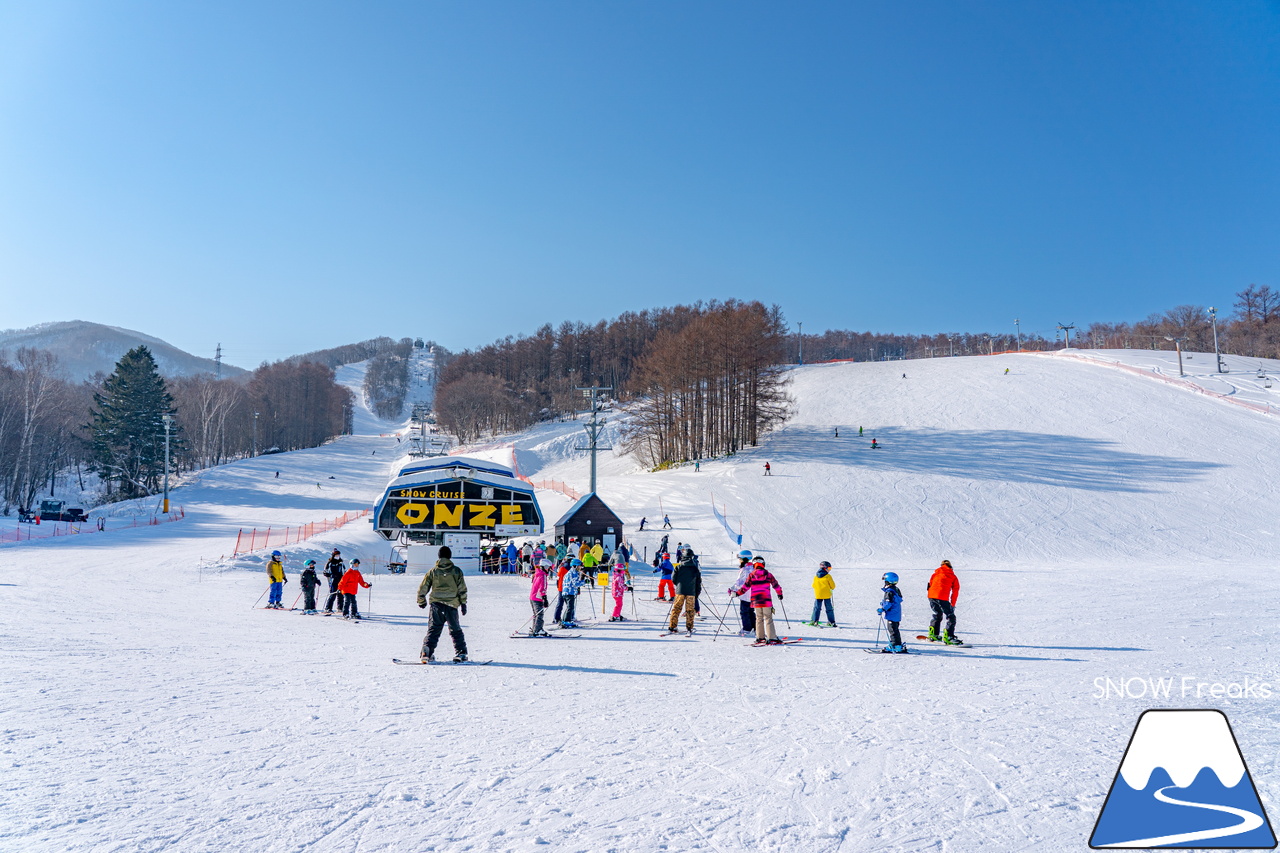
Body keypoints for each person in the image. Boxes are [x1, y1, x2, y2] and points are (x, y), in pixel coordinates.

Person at [417, 545, 469, 662]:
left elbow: (423, 587)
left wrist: (421, 600)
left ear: (439, 557)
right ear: (450, 557)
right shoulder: (456, 571)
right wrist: (463, 604)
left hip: (436, 605)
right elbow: (462, 589)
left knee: (433, 630)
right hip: (451, 605)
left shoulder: (433, 571)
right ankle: (461, 653)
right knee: (455, 630)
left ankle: (427, 652)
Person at [734, 557, 783, 645]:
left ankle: (760, 637)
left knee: (759, 618)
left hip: (756, 601)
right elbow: (775, 585)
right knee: (768, 618)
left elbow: (745, 587)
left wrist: (737, 593)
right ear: (763, 564)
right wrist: (779, 594)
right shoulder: (768, 574)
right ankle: (772, 637)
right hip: (766, 601)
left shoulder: (752, 575)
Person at [666, 549, 702, 634]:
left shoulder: (678, 567)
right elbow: (698, 582)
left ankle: (672, 626)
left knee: (676, 608)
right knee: (690, 610)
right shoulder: (695, 569)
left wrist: (679, 585)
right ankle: (689, 627)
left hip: (680, 591)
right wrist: (697, 593)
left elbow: (673, 579)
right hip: (691, 592)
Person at [926, 559, 962, 645]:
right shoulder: (952, 576)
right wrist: (952, 604)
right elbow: (955, 591)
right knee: (951, 617)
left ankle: (933, 633)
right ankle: (949, 636)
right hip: (942, 597)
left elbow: (930, 585)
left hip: (931, 596)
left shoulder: (935, 574)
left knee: (938, 613)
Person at [878, 571, 907, 653]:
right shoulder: (895, 590)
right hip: (896, 614)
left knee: (892, 630)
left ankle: (895, 645)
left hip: (892, 614)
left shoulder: (889, 592)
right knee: (895, 629)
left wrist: (882, 608)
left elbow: (888, 604)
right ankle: (897, 644)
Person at [730, 550, 756, 636]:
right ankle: (754, 627)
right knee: (751, 611)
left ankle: (747, 629)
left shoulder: (745, 569)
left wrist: (732, 589)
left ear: (744, 559)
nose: (739, 560)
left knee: (744, 612)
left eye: (740, 558)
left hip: (745, 594)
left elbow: (739, 582)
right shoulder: (753, 568)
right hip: (752, 594)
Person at [807, 561, 837, 627]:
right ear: (824, 568)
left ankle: (814, 621)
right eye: (829, 568)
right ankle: (831, 622)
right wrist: (830, 588)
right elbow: (833, 586)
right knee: (829, 608)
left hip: (818, 595)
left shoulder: (816, 577)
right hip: (827, 595)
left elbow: (813, 585)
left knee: (817, 608)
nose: (829, 570)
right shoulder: (828, 576)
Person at [529, 559, 551, 636]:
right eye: (548, 567)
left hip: (533, 597)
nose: (549, 569)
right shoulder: (543, 576)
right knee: (539, 614)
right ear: (544, 567)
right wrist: (545, 599)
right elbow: (542, 588)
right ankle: (537, 630)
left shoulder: (537, 573)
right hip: (538, 597)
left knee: (536, 614)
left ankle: (535, 628)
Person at [560, 559, 583, 627]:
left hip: (566, 592)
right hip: (569, 592)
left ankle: (565, 620)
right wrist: (583, 582)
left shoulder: (570, 572)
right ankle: (567, 621)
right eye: (579, 566)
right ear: (575, 566)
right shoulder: (574, 573)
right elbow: (575, 583)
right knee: (570, 607)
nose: (580, 568)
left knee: (569, 607)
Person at [322, 549, 345, 613]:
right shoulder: (330, 563)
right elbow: (325, 571)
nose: (337, 556)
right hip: (333, 580)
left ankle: (340, 608)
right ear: (333, 555)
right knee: (333, 594)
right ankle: (328, 608)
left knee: (340, 594)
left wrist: (344, 577)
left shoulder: (341, 563)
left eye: (338, 555)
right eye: (336, 555)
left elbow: (344, 571)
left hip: (340, 580)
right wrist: (330, 575)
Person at [553, 558, 571, 623]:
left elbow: (558, 578)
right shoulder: (571, 569)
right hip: (568, 588)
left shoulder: (561, 568)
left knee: (560, 603)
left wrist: (558, 586)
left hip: (561, 588)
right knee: (570, 605)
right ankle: (569, 617)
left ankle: (556, 617)